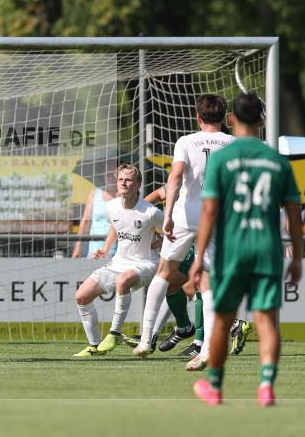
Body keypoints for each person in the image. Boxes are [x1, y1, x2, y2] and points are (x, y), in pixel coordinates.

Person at [189, 92, 304, 407]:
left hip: (232, 250)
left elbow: (210, 211)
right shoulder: (276, 159)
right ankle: (266, 385)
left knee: (223, 320)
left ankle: (215, 387)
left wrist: (199, 257)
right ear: (262, 120)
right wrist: (298, 256)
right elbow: (294, 213)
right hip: (267, 248)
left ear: (232, 120)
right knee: (266, 319)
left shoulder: (223, 158)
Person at [135, 94, 233, 357]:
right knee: (208, 282)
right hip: (216, 220)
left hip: (185, 218)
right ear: (223, 118)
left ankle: (146, 339)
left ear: (198, 117)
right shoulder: (234, 143)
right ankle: (209, 347)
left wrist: (166, 215)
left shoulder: (186, 141)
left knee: (164, 273)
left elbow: (176, 176)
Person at [72, 164, 164, 357]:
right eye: (121, 179)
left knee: (123, 280)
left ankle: (114, 333)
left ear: (138, 184)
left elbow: (172, 233)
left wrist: (161, 241)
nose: (124, 183)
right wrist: (106, 249)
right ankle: (94, 346)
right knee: (81, 296)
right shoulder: (111, 206)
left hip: (146, 264)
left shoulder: (151, 212)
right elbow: (116, 225)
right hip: (118, 262)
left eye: (129, 179)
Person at [71, 181, 115, 259]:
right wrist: (78, 247)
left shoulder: (122, 195)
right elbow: (85, 221)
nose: (110, 177)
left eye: (112, 174)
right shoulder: (94, 193)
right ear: (104, 175)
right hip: (94, 251)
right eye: (108, 174)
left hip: (114, 252)